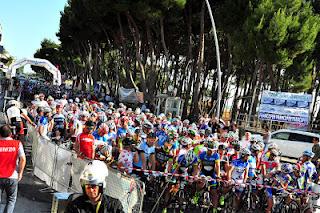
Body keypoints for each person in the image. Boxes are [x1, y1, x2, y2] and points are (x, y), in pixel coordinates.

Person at [0, 125, 26, 213]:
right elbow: (23, 159)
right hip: (12, 176)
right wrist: (20, 173)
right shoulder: (17, 143)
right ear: (11, 134)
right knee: (11, 200)